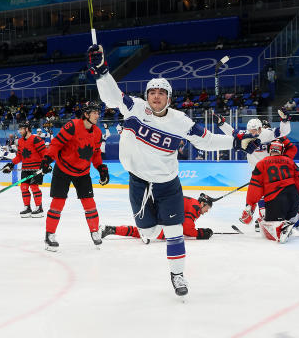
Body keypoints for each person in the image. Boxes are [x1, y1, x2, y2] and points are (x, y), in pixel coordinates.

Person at [90, 43, 255, 297]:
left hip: (167, 184)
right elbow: (110, 97)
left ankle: (177, 275)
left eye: (161, 93)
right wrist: (102, 72)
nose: (156, 96)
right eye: (152, 92)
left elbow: (207, 140)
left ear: (169, 97)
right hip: (139, 183)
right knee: (149, 232)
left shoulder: (180, 121)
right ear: (147, 95)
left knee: (175, 231)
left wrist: (236, 141)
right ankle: (152, 230)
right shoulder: (134, 107)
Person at [38, 102, 109, 251]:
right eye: (95, 112)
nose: (98, 115)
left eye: (98, 112)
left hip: (83, 172)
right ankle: (49, 235)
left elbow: (95, 154)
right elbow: (56, 144)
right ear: (86, 114)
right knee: (58, 203)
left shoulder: (97, 133)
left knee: (89, 203)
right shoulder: (73, 126)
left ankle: (94, 231)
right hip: (63, 169)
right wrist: (47, 159)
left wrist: (101, 168)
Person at [214, 113, 296, 232]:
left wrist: (284, 120)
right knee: (258, 195)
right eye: (250, 131)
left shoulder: (267, 133)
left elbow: (284, 132)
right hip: (256, 172)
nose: (252, 133)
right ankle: (262, 219)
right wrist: (221, 123)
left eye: (254, 131)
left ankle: (272, 218)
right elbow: (232, 132)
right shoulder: (247, 134)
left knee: (269, 196)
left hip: (270, 171)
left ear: (259, 128)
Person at [239, 140, 299, 243]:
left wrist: (250, 206)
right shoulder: (289, 161)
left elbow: (255, 188)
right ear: (281, 150)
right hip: (293, 198)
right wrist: (297, 196)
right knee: (293, 216)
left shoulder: (261, 164)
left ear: (269, 150)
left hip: (275, 200)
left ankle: (281, 227)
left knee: (268, 220)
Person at [101, 194, 214, 241]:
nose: (207, 211)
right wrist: (201, 233)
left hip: (156, 212)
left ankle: (112, 229)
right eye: (207, 208)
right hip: (161, 217)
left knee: (144, 231)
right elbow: (187, 229)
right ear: (202, 204)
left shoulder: (192, 203)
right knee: (162, 233)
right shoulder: (195, 207)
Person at [2, 122, 47, 218]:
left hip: (36, 169)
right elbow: (19, 156)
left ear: (27, 129)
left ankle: (39, 208)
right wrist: (11, 164)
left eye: (21, 129)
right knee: (24, 188)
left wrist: (46, 165)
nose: (20, 131)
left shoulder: (36, 139)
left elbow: (45, 154)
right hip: (25, 169)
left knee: (34, 187)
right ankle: (27, 208)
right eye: (19, 129)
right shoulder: (20, 141)